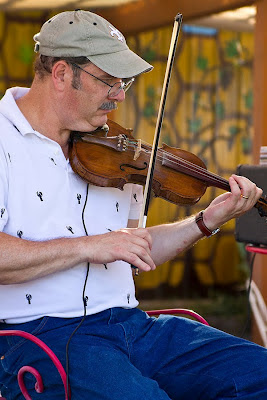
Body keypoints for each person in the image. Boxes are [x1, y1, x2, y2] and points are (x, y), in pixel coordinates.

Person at [0, 9, 266, 400]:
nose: (120, 95)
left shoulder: (113, 151)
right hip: (40, 335)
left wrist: (206, 220)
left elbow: (135, 246)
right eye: (108, 80)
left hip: (132, 326)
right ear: (60, 74)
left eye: (123, 81)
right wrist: (89, 246)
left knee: (258, 374)